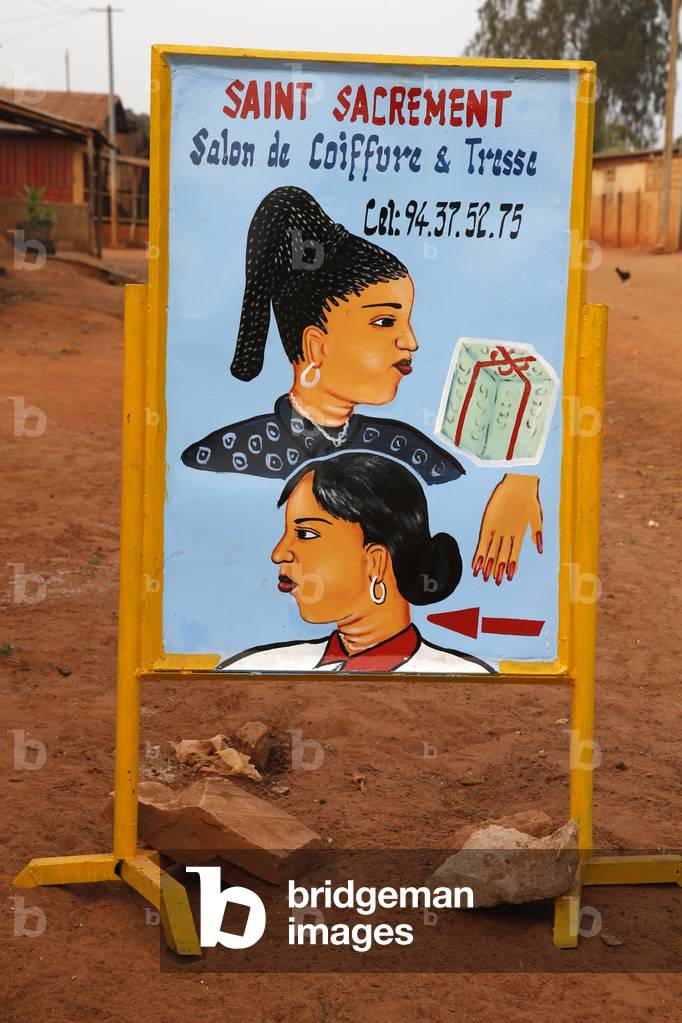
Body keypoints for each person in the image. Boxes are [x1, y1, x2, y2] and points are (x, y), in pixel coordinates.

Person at [181, 186, 543, 584]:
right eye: (386, 322)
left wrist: (521, 480)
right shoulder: (221, 459)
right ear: (315, 347)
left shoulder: (413, 453)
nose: (411, 341)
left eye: (407, 320)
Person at [218, 453, 494, 674]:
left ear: (376, 561)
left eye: (305, 534)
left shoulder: (463, 676)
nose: (278, 553)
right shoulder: (255, 669)